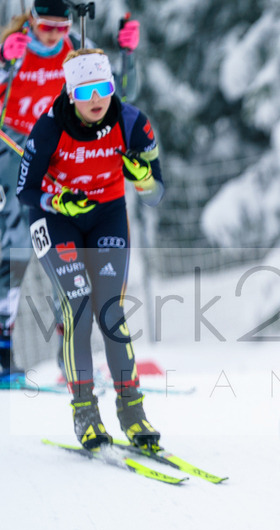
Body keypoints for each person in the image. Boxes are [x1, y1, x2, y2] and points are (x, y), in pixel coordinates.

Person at [16, 48, 162, 449]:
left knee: (110, 310)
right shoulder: (49, 126)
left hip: (106, 215)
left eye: (104, 88)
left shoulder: (132, 123)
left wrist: (143, 177)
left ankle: (133, 411)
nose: (97, 99)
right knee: (78, 303)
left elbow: (155, 193)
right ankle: (85, 412)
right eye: (86, 91)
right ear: (70, 93)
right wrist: (56, 202)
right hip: (56, 218)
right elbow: (25, 191)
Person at [0, 0, 139, 385]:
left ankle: (71, 357)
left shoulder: (74, 49)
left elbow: (118, 99)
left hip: (65, 162)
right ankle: (3, 356)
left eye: (61, 28)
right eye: (45, 26)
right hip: (13, 157)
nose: (53, 35)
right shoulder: (9, 45)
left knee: (75, 261)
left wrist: (128, 56)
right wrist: (2, 64)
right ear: (30, 19)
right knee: (13, 254)